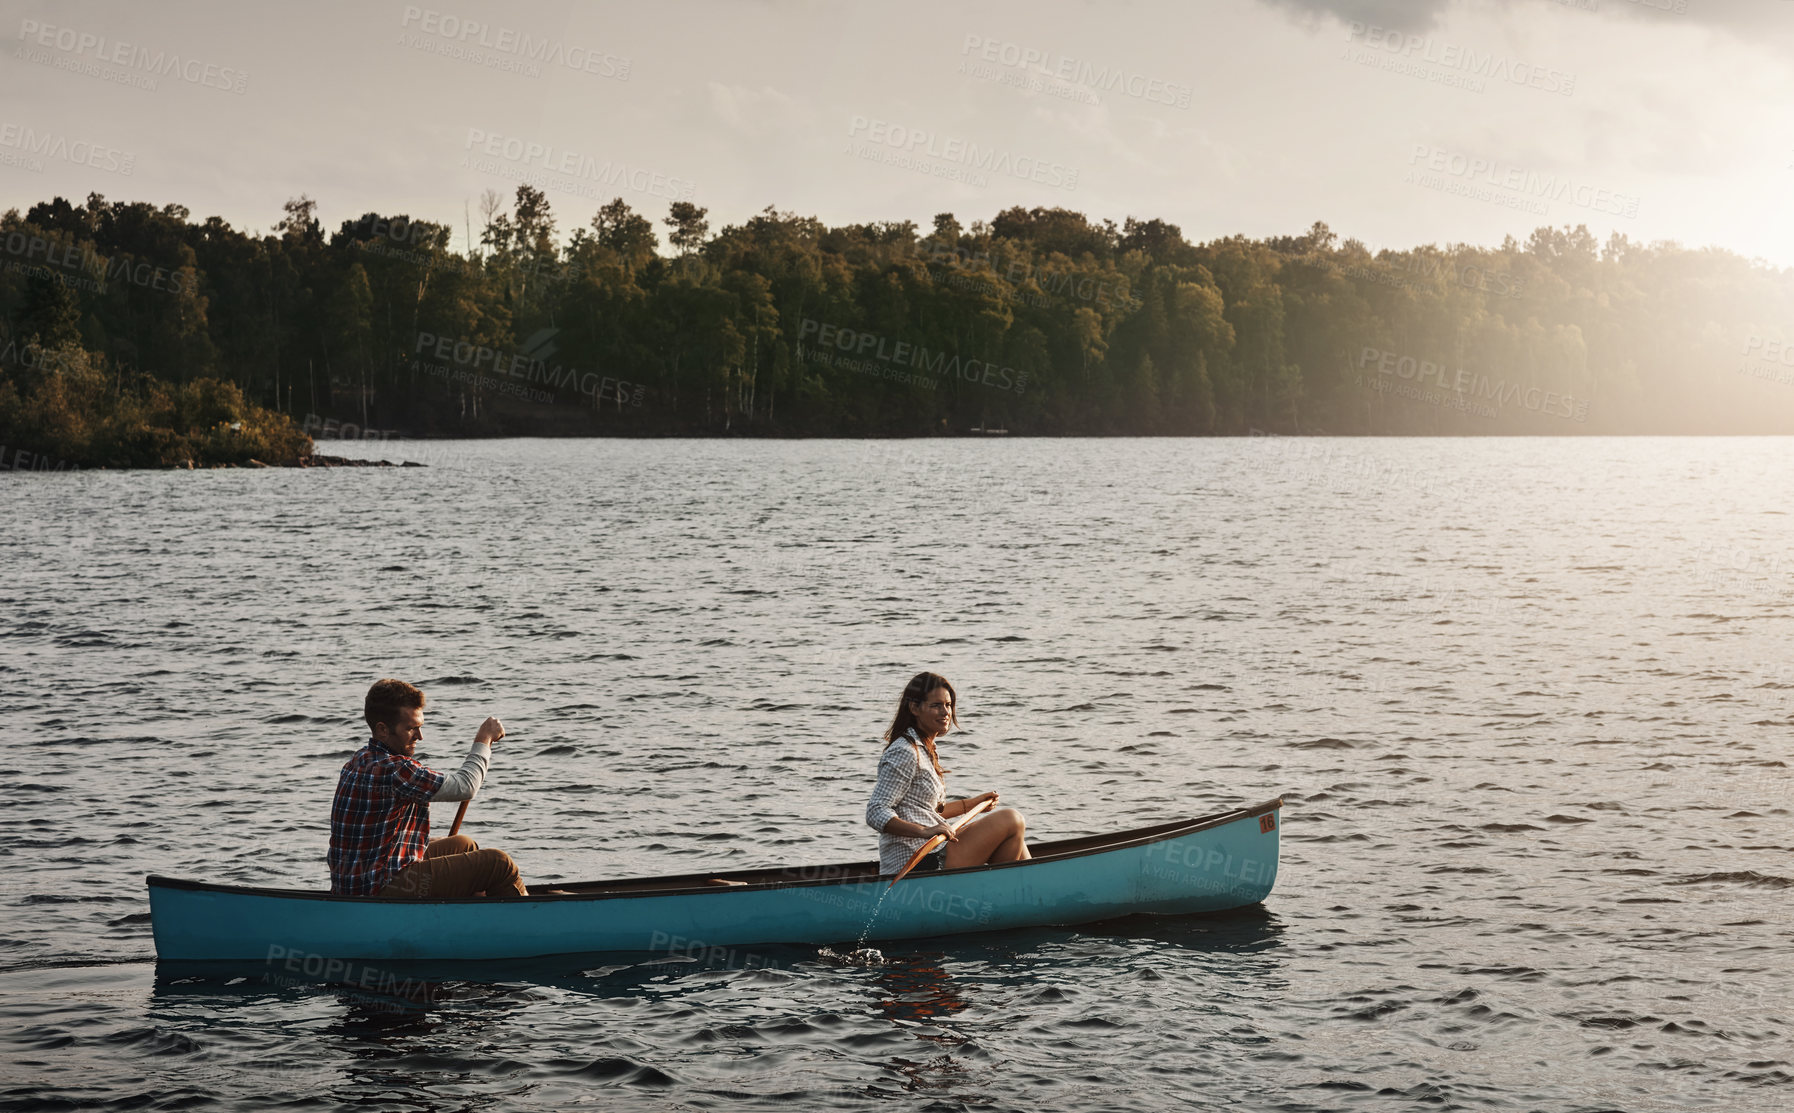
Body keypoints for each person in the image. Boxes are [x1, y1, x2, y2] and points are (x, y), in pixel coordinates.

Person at [328, 678, 530, 899]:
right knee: (499, 864)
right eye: (411, 729)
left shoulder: (360, 759)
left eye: (420, 727)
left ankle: (473, 914)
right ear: (383, 730)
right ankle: (529, 919)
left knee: (464, 844)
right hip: (379, 889)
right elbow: (466, 786)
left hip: (360, 878)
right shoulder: (394, 769)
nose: (420, 737)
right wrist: (484, 739)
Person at [865, 671, 1030, 876]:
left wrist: (974, 804)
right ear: (914, 708)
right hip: (919, 859)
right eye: (936, 705)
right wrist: (925, 831)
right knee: (1011, 819)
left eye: (948, 705)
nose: (946, 712)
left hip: (934, 850)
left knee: (1015, 839)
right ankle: (1017, 895)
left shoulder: (925, 748)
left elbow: (928, 810)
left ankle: (1021, 894)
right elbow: (876, 811)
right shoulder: (905, 751)